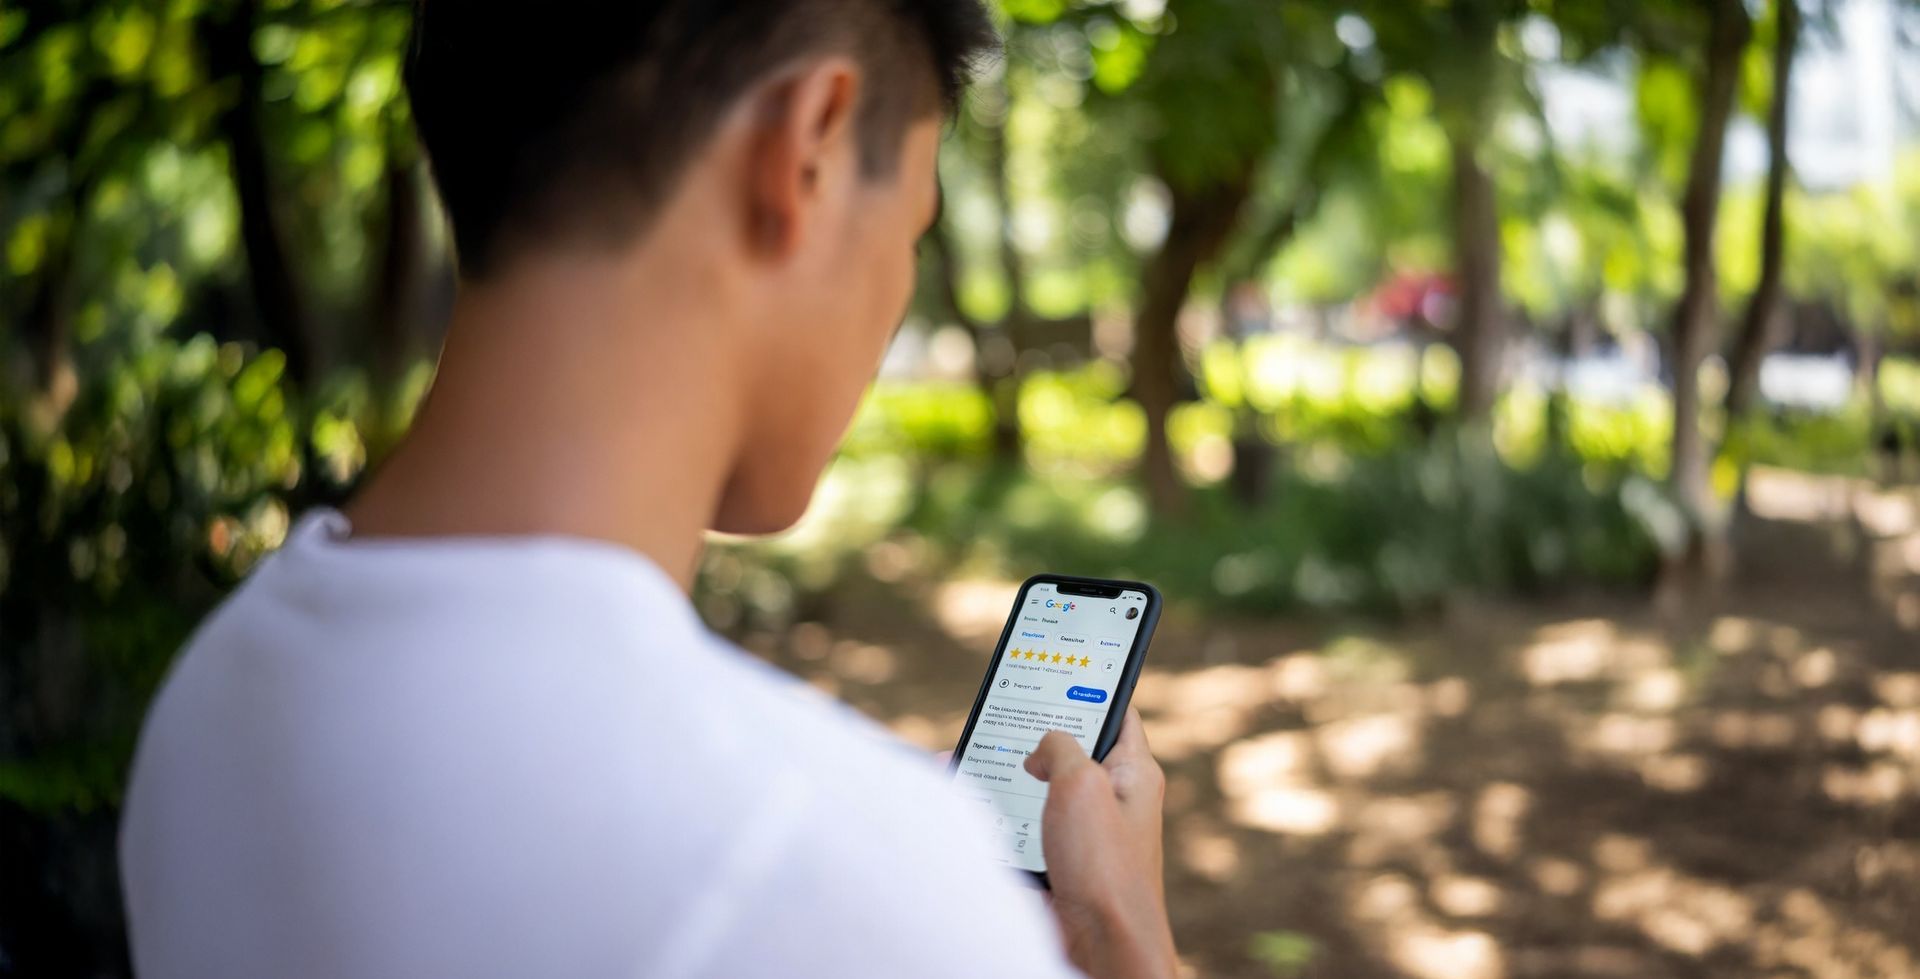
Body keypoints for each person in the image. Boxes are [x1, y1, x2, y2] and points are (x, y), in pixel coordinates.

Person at [119, 3, 1180, 977]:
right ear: (807, 145)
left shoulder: (211, 696)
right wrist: (1130, 942)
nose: (896, 298)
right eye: (911, 227)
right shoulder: (844, 877)